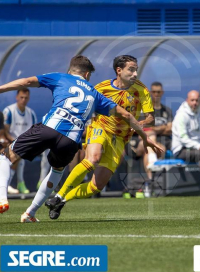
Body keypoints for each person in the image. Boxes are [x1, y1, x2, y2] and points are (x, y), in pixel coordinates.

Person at [0, 55, 161, 223]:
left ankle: (2, 199)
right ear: (87, 75)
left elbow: (26, 81)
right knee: (58, 170)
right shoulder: (95, 91)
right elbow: (126, 116)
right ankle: (31, 212)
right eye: (132, 69)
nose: (135, 73)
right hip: (72, 140)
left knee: (6, 156)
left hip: (51, 128)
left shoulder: (60, 77)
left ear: (70, 70)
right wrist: (145, 137)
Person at [45, 55, 164, 220]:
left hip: (121, 138)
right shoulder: (101, 88)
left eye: (136, 69)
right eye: (131, 69)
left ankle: (63, 199)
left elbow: (151, 117)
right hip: (100, 127)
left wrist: (139, 123)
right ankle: (59, 194)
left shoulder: (141, 90)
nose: (135, 73)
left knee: (96, 186)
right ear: (119, 70)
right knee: (93, 158)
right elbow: (84, 106)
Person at [3, 88, 37, 194]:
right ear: (16, 97)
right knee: (19, 151)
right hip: (12, 143)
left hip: (27, 144)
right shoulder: (8, 111)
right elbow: (5, 132)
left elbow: (35, 132)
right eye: (21, 97)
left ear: (29, 98)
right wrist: (16, 141)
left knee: (48, 151)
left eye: (26, 98)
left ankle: (42, 182)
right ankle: (18, 183)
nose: (23, 100)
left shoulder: (31, 113)